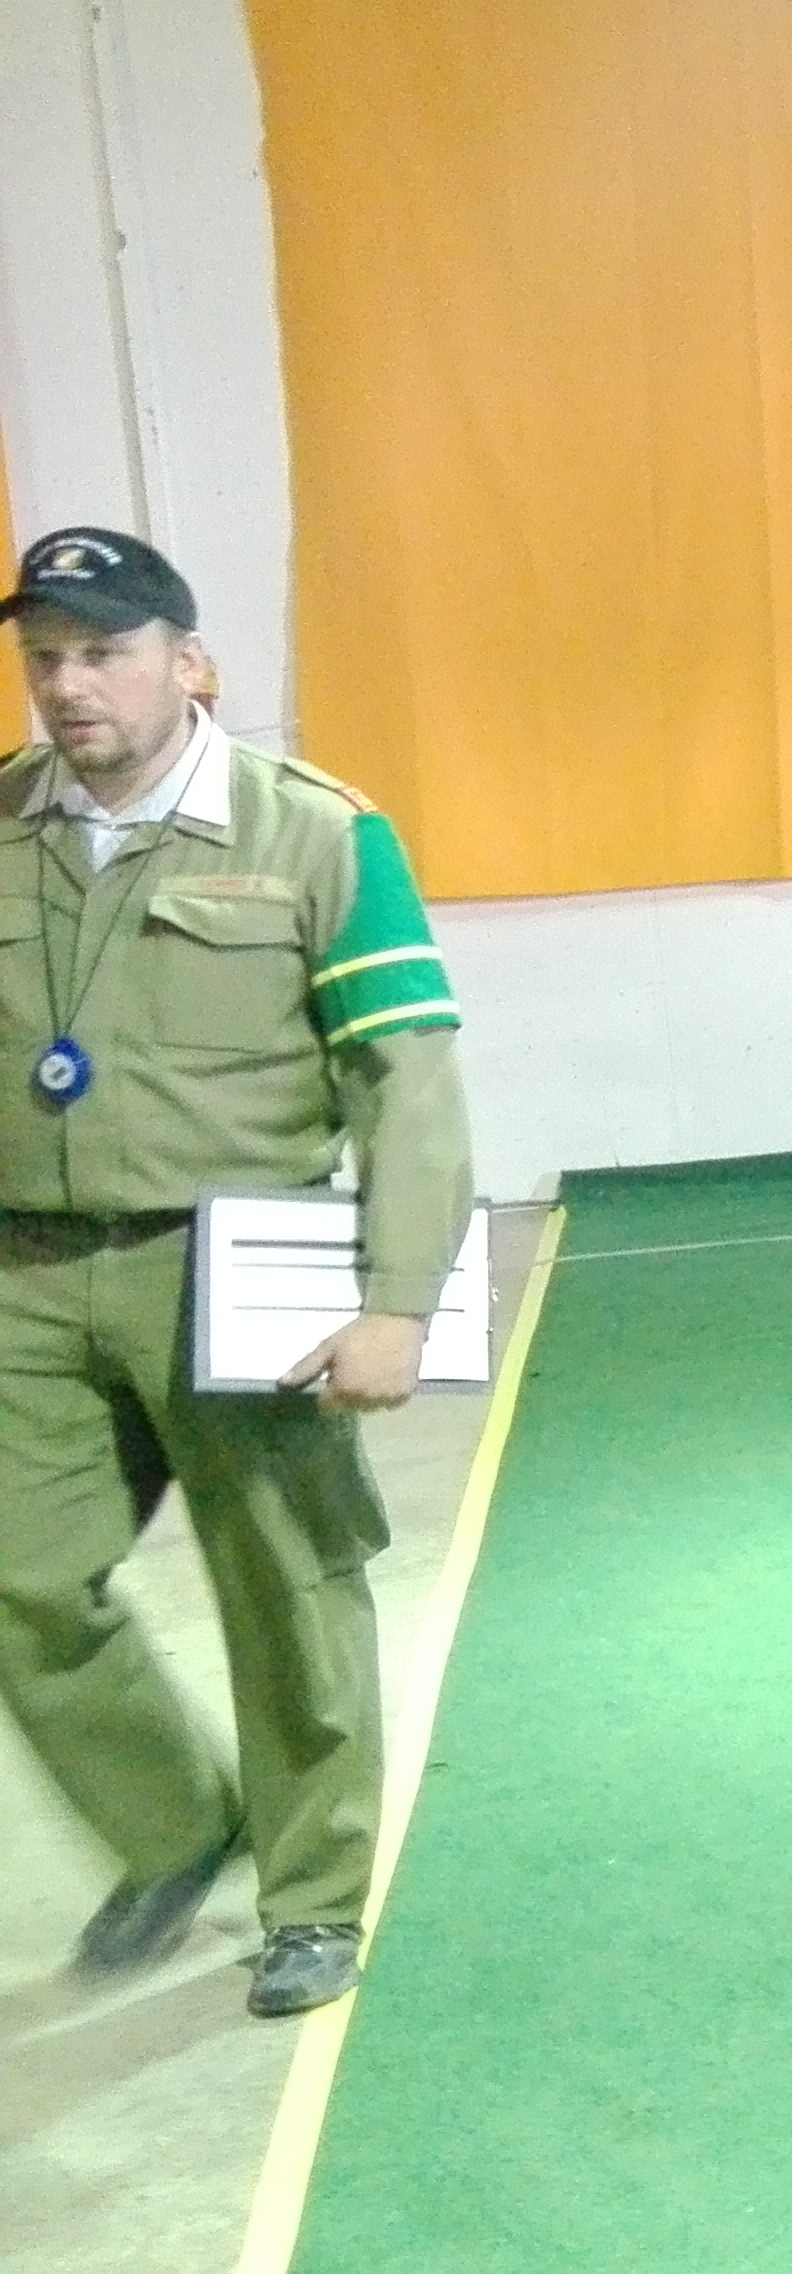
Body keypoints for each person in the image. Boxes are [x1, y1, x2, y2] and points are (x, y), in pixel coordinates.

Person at [0, 526, 471, 2017]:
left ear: (190, 662)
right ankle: (178, 1823)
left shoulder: (318, 834)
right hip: (26, 1271)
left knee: (287, 1591)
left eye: (105, 651)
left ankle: (312, 1897)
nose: (70, 685)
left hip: (242, 1270)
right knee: (18, 1576)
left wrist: (397, 1300)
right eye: (45, 656)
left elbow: (406, 1079)